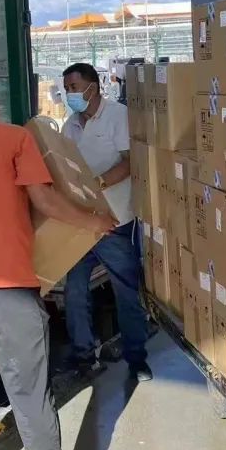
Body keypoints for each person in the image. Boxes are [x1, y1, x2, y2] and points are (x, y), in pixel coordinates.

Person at [0, 76, 118, 450]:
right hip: (2, 278)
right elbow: (45, 201)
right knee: (28, 384)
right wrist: (95, 221)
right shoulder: (16, 138)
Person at [61, 62, 153, 382]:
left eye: (74, 87)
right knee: (74, 291)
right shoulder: (70, 126)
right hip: (82, 223)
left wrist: (98, 183)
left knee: (125, 292)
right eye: (66, 89)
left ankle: (136, 359)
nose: (69, 94)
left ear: (93, 87)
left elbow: (130, 162)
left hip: (115, 222)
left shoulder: (117, 116)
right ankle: (84, 356)